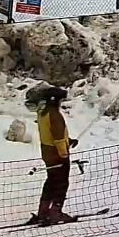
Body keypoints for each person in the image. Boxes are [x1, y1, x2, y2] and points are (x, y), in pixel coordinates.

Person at [27, 86, 77, 226]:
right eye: (60, 100)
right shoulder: (54, 114)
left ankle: (43, 212)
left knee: (51, 182)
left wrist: (69, 141)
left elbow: (50, 133)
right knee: (62, 183)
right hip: (57, 154)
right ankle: (56, 211)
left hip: (47, 152)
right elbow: (58, 136)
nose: (61, 103)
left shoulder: (43, 113)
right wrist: (64, 153)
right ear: (55, 101)